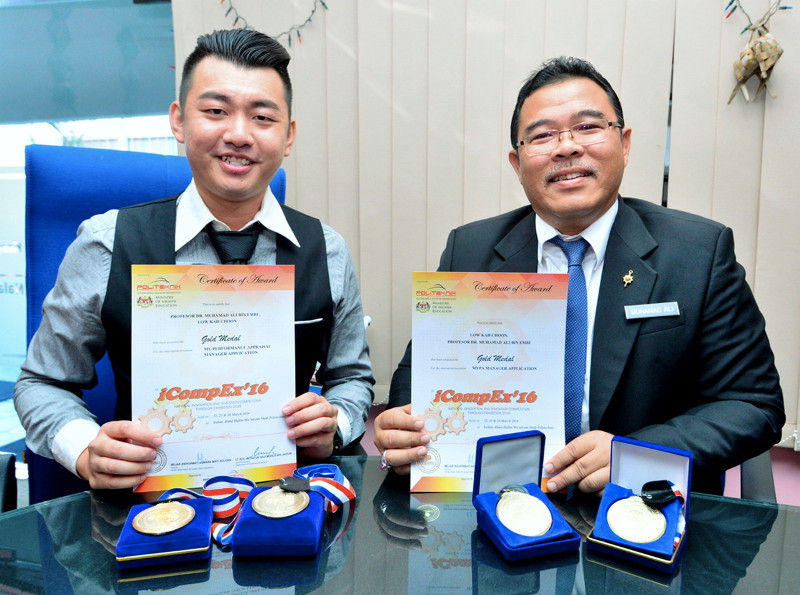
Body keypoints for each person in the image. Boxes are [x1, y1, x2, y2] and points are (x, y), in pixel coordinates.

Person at [373, 56, 784, 495]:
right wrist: (401, 428)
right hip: (500, 504)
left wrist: (634, 453)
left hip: (642, 509)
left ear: (624, 144)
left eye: (588, 127)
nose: (566, 147)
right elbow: (418, 382)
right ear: (517, 162)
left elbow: (752, 404)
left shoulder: (698, 253)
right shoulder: (470, 250)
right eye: (543, 135)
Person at [15, 29, 374, 490]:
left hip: (288, 506)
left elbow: (353, 380)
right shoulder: (106, 244)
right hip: (151, 507)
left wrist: (335, 426)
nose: (239, 134)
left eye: (263, 117)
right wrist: (84, 447)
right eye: (216, 111)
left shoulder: (326, 251)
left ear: (288, 136)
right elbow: (43, 383)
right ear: (180, 121)